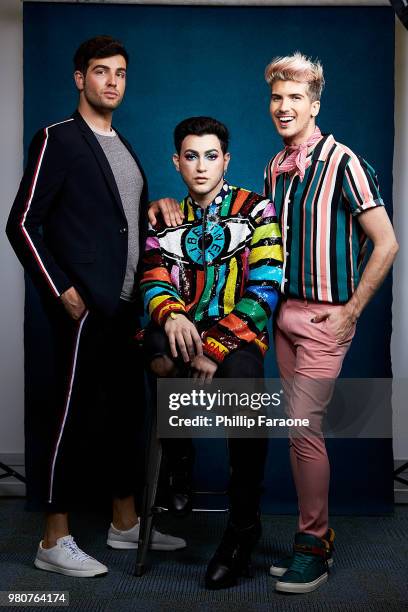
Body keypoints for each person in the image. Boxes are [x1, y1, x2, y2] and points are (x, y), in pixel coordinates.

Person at [6, 35, 185, 578]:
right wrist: (63, 290)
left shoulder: (124, 147)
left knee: (126, 416)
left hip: (126, 308)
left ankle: (125, 522)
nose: (112, 81)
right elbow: (21, 223)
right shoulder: (57, 139)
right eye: (101, 71)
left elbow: (120, 223)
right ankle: (53, 539)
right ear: (79, 78)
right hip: (84, 309)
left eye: (121, 73)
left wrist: (154, 205)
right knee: (72, 418)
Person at [262, 52, 398, 594]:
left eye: (296, 97)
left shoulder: (346, 162)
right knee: (299, 433)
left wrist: (352, 311)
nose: (285, 106)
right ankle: (314, 536)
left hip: (324, 318)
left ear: (315, 104)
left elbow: (386, 242)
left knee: (302, 430)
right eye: (277, 97)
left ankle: (313, 545)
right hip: (281, 316)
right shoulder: (275, 165)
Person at [140, 116, 283, 589]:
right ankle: (179, 463)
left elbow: (265, 288)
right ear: (176, 161)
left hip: (237, 333)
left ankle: (242, 532)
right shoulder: (166, 216)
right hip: (184, 328)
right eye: (190, 156)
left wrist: (216, 347)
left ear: (226, 159)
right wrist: (171, 314)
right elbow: (152, 274)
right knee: (157, 350)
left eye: (210, 155)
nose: (200, 166)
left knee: (246, 397)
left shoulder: (257, 210)